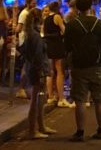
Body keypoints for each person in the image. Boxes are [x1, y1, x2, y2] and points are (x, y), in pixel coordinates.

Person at [64, 0, 101, 142]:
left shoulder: (72, 25)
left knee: (80, 100)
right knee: (99, 99)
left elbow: (67, 47)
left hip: (79, 67)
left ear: (77, 7)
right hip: (97, 65)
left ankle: (80, 132)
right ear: (92, 7)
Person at [22, 8, 57, 139]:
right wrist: (41, 71)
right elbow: (37, 56)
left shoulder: (31, 33)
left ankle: (41, 126)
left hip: (35, 68)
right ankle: (33, 130)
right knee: (36, 100)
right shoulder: (35, 36)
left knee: (40, 99)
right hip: (37, 70)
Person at [43, 1, 73, 108]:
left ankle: (50, 96)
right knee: (60, 71)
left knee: (50, 72)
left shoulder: (46, 18)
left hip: (49, 46)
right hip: (57, 45)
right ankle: (61, 98)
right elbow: (64, 31)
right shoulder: (57, 17)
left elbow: (43, 33)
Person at [15, 0, 38, 99]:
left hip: (30, 40)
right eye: (33, 3)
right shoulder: (24, 14)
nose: (35, 5)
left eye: (35, 3)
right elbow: (18, 28)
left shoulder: (31, 13)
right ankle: (21, 88)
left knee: (29, 65)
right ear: (28, 3)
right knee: (26, 65)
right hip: (25, 41)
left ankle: (25, 87)